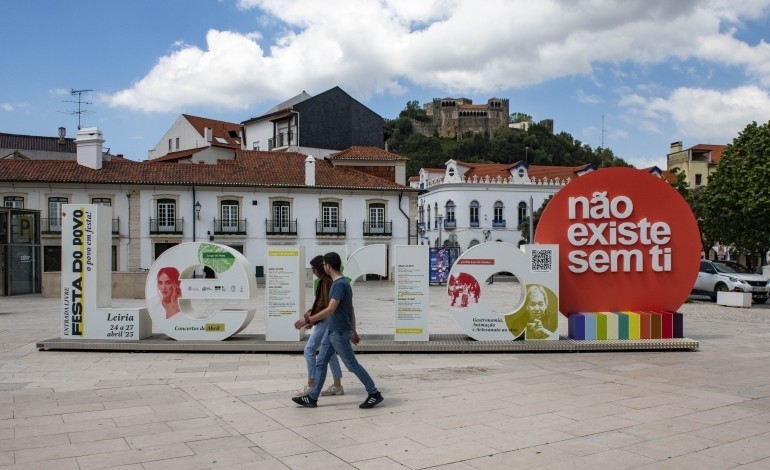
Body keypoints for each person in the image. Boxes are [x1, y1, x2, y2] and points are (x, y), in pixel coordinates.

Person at [292, 252, 383, 409]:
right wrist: (354, 330)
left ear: (328, 266)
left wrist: (307, 320)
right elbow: (350, 309)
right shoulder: (339, 283)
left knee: (352, 365)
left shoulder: (339, 284)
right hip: (331, 331)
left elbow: (330, 309)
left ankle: (374, 393)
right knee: (320, 363)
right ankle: (312, 397)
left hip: (339, 333)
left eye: (324, 265)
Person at [295, 256, 344, 398]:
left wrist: (309, 320)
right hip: (326, 321)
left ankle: (311, 385)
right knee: (330, 354)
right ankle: (337, 385)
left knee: (309, 349)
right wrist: (312, 319)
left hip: (326, 322)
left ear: (320, 267)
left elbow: (328, 307)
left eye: (313, 269)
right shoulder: (325, 281)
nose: (312, 271)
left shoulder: (327, 282)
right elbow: (322, 304)